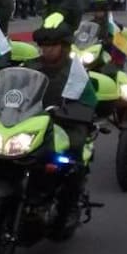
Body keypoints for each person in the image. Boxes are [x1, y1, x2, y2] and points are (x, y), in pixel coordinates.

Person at [27, 13, 96, 228]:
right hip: (31, 122)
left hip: (64, 124)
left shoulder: (75, 72)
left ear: (64, 46)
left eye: (53, 45)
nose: (47, 49)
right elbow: (12, 89)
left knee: (71, 158)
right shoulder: (30, 66)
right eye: (43, 45)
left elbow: (88, 102)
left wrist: (73, 112)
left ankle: (68, 206)